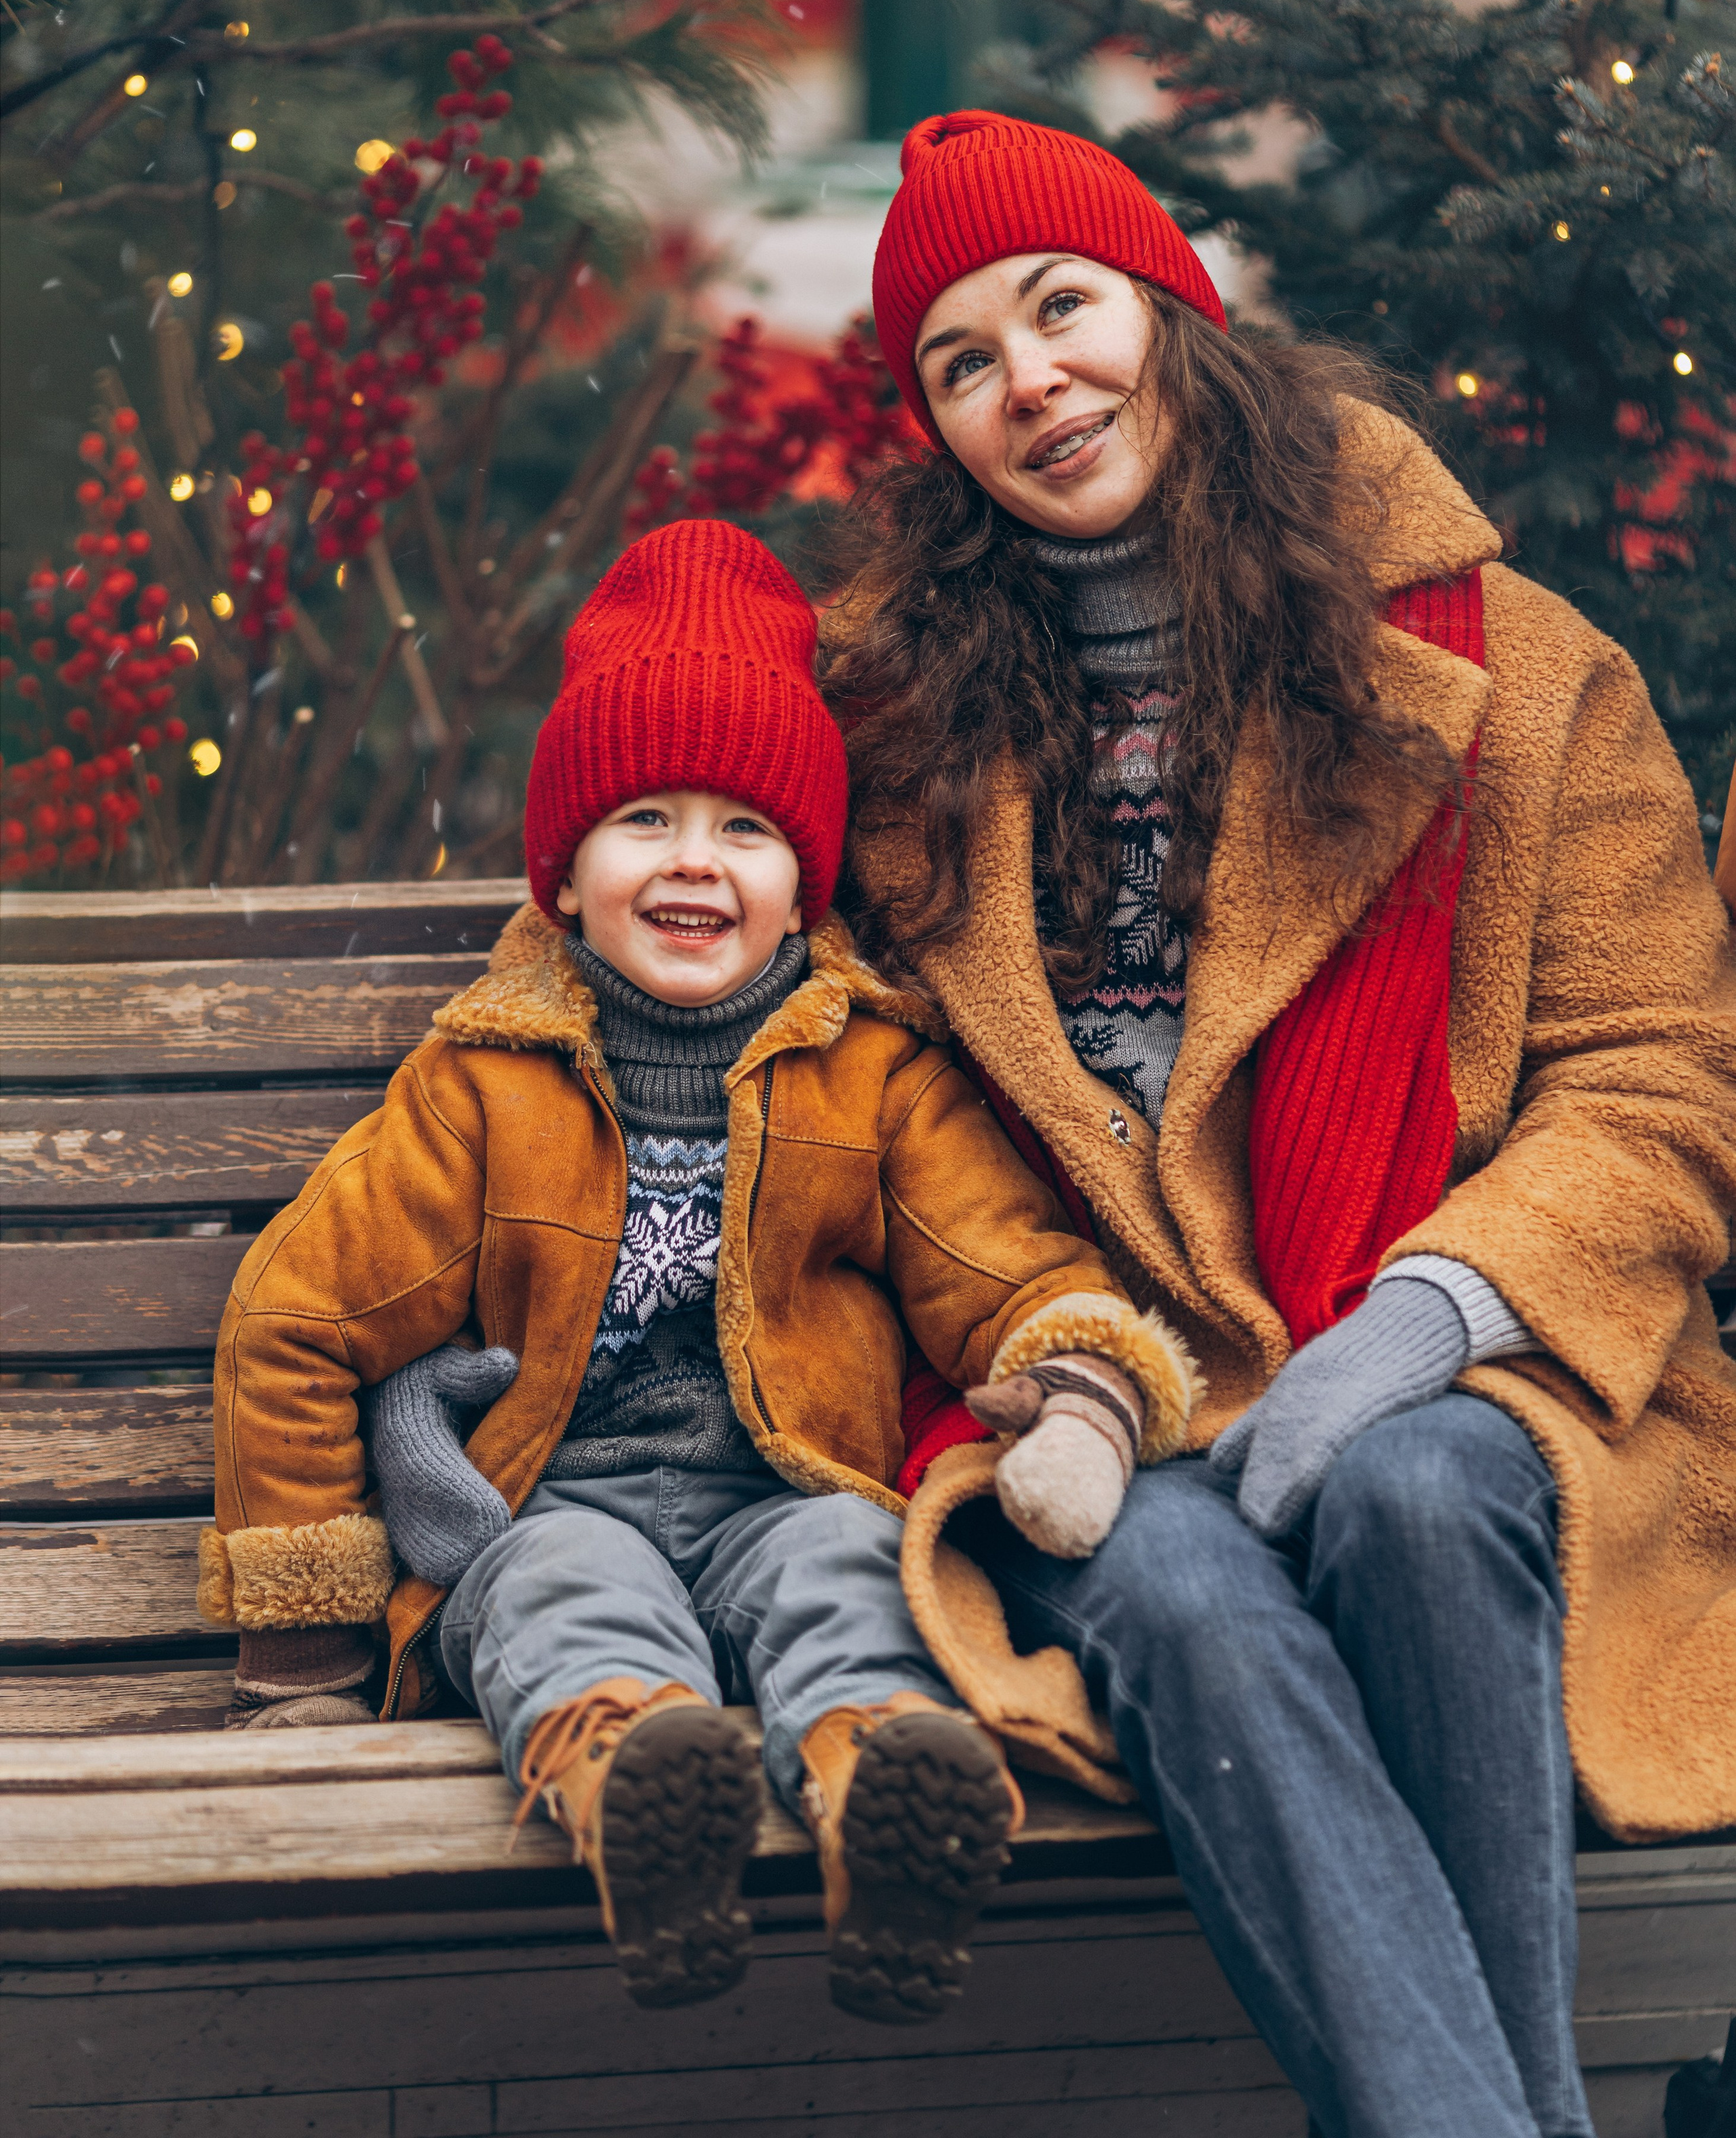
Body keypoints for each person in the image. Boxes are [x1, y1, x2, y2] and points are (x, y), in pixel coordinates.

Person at [821, 111, 1736, 2138]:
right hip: (1085, 1396)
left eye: (1060, 308)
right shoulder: (889, 732)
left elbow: (1661, 1071)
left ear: (1175, 315)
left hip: (1467, 1359)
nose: (1027, 380)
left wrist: (1414, 1331)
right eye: (960, 361)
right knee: (1181, 1592)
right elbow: (746, 1006)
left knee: (1413, 1496)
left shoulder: (1504, 671)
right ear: (939, 430)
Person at [199, 518, 1200, 2023]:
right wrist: (300, 1645)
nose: (692, 862)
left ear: (804, 883)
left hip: (780, 1493)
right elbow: (298, 1320)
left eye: (745, 827)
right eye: (642, 819)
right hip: (557, 1497)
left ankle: (885, 1799)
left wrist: (1078, 1384)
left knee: (851, 1576)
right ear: (563, 869)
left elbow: (995, 1264)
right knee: (557, 1591)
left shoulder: (869, 1072)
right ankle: (637, 1786)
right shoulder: (484, 1084)